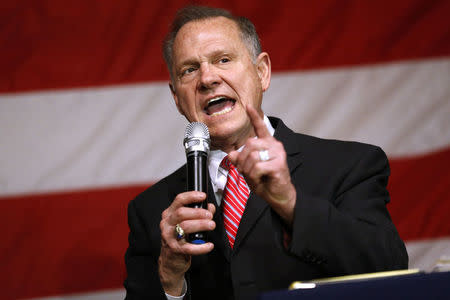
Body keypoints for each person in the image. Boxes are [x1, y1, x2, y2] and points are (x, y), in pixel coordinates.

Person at [124, 5, 408, 300]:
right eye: (190, 69)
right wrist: (169, 278)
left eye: (223, 59)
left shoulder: (349, 166)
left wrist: (292, 205)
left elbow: (389, 269)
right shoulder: (151, 210)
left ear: (262, 72)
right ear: (177, 99)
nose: (207, 79)